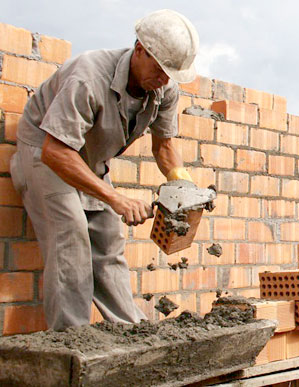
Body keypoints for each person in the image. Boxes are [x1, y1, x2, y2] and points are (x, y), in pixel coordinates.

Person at [9, 9, 199, 330]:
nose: (165, 79)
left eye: (172, 74)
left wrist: (185, 187)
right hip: (44, 152)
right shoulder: (89, 76)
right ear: (139, 49)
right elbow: (56, 151)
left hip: (87, 160)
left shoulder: (165, 88)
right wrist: (116, 198)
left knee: (109, 241)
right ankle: (73, 342)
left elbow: (164, 145)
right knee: (71, 238)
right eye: (160, 68)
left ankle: (133, 334)